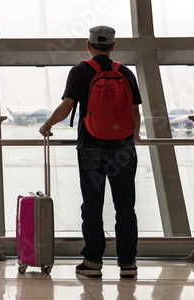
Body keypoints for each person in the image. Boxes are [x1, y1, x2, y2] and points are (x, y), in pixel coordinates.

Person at [39, 25, 142, 278]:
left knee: (92, 206)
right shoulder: (125, 72)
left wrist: (47, 125)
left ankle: (93, 262)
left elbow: (67, 106)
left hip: (91, 148)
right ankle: (127, 263)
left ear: (89, 45)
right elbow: (135, 112)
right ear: (113, 46)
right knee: (125, 207)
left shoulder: (81, 71)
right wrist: (133, 137)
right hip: (124, 149)